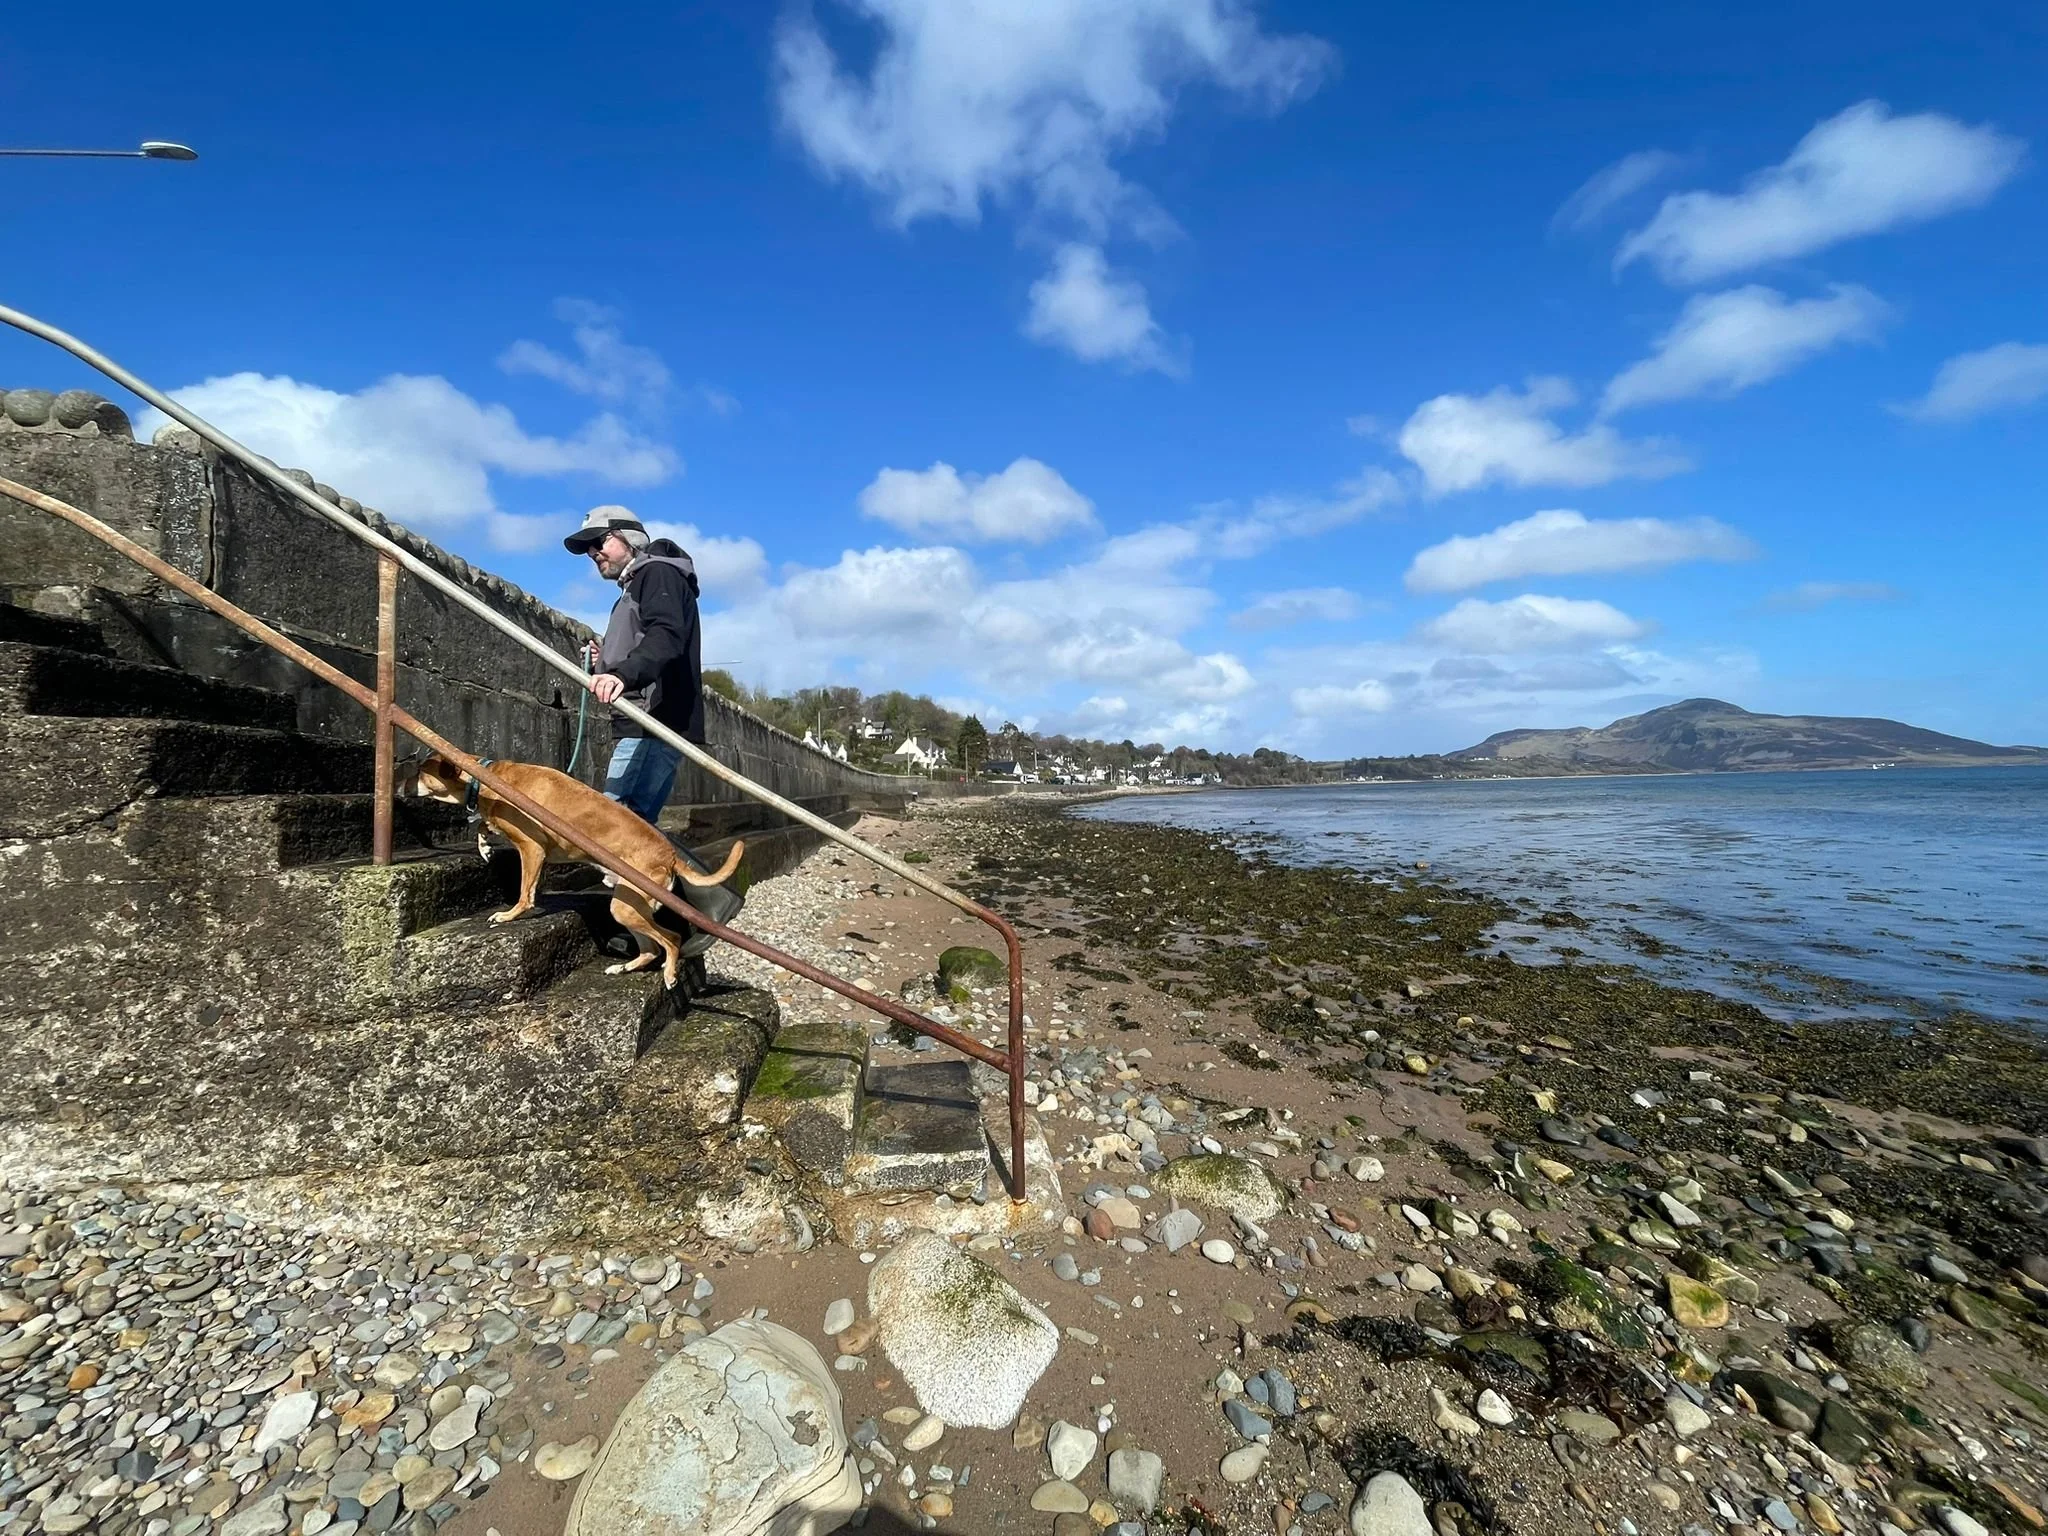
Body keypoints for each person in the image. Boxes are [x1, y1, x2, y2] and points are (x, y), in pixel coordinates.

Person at [563, 505, 741, 966]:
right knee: (629, 824)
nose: (593, 554)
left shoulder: (655, 573)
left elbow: (666, 634)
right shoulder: (637, 584)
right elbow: (649, 636)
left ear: (628, 538)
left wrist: (625, 672)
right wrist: (607, 658)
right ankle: (679, 917)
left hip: (654, 720)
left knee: (615, 818)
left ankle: (702, 907)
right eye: (587, 549)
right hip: (650, 717)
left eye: (599, 542)